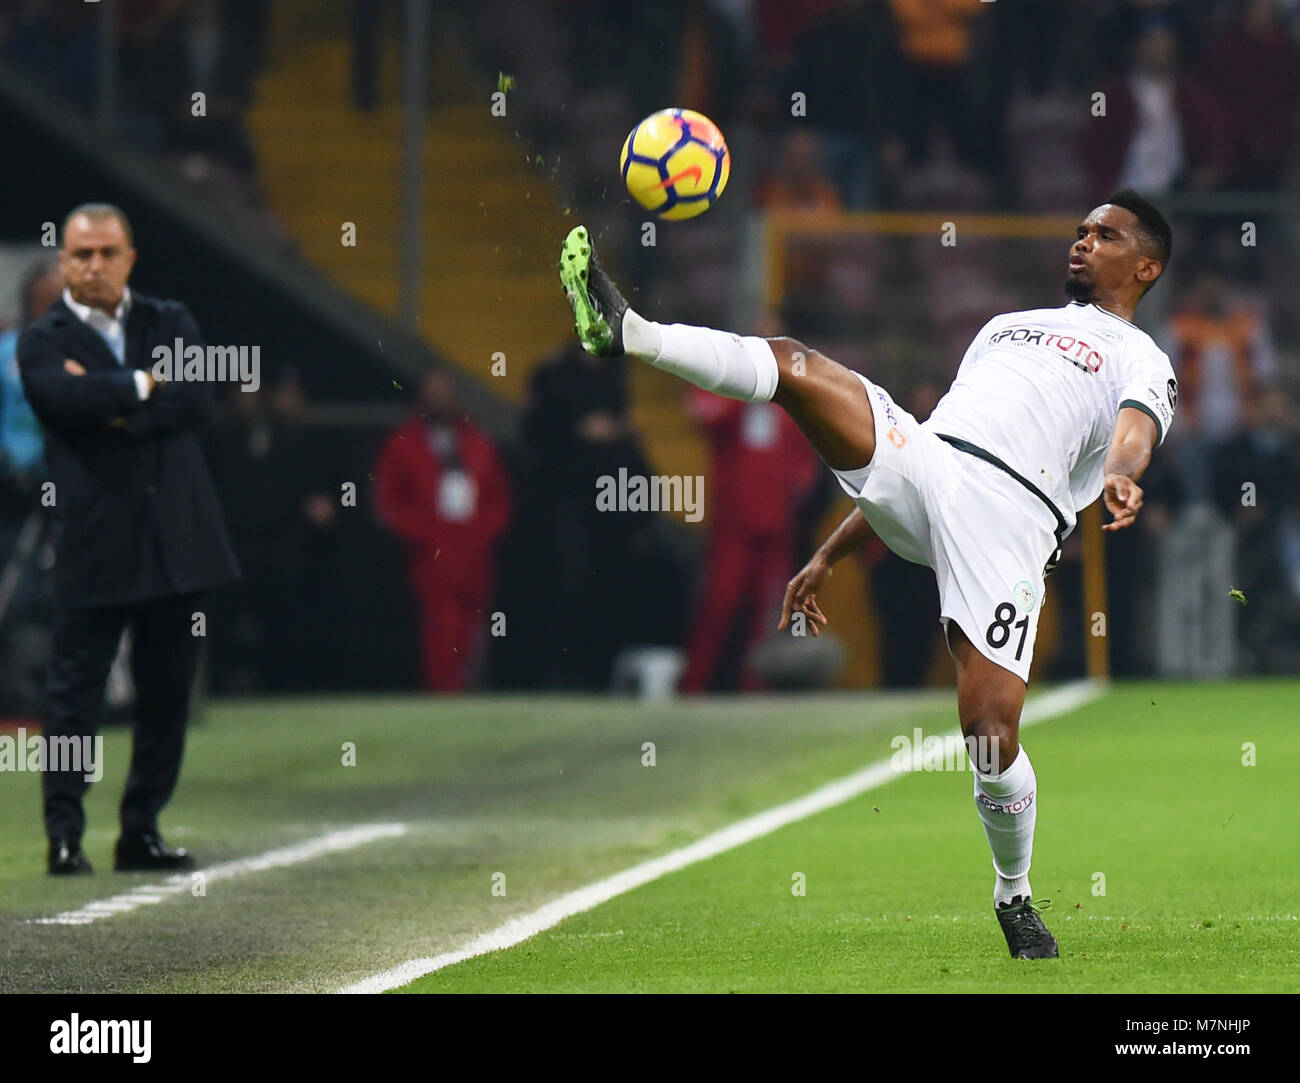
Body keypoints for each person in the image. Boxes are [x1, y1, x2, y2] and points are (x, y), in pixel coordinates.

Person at [558, 188, 1178, 959]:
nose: (1083, 240)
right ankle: (629, 329)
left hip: (1010, 525)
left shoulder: (1139, 356)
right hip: (932, 461)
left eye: (1106, 234)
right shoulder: (1001, 327)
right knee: (797, 365)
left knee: (988, 736)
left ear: (1145, 266)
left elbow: (1134, 426)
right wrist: (828, 551)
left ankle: (1013, 893)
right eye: (1082, 228)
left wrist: (1122, 473)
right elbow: (944, 436)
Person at [18, 203, 240, 875]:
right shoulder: (41, 339)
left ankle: (140, 829)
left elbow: (199, 401)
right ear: (61, 263)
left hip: (178, 538)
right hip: (95, 542)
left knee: (167, 696)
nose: (94, 265)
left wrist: (111, 404)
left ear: (129, 258)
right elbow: (61, 402)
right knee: (73, 698)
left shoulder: (169, 319)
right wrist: (145, 384)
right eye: (80, 254)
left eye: (106, 252)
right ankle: (64, 833)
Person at [374, 369, 510, 692]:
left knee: (474, 634)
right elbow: (388, 502)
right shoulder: (404, 445)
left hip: (474, 558)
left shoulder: (477, 444)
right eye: (432, 393)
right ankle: (442, 696)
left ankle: (468, 694)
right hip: (429, 559)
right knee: (439, 632)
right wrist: (425, 535)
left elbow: (498, 501)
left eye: (444, 392)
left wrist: (479, 534)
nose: (438, 400)